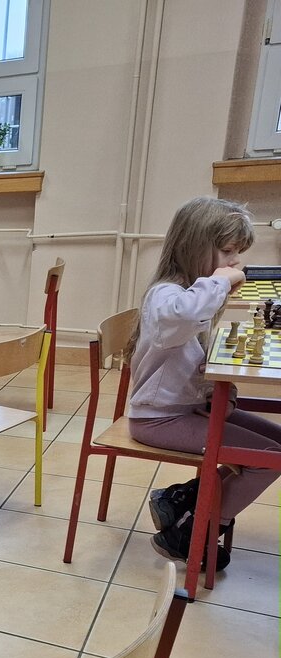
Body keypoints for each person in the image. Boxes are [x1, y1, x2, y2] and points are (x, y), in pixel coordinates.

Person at [128, 196, 280, 571]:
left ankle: (184, 499)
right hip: (158, 418)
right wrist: (220, 282)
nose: (234, 262)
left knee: (276, 446)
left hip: (186, 409)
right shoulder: (166, 295)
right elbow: (185, 316)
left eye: (237, 253)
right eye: (227, 251)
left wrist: (219, 394)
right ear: (194, 246)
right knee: (269, 461)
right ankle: (195, 530)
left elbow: (197, 360)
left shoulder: (191, 293)